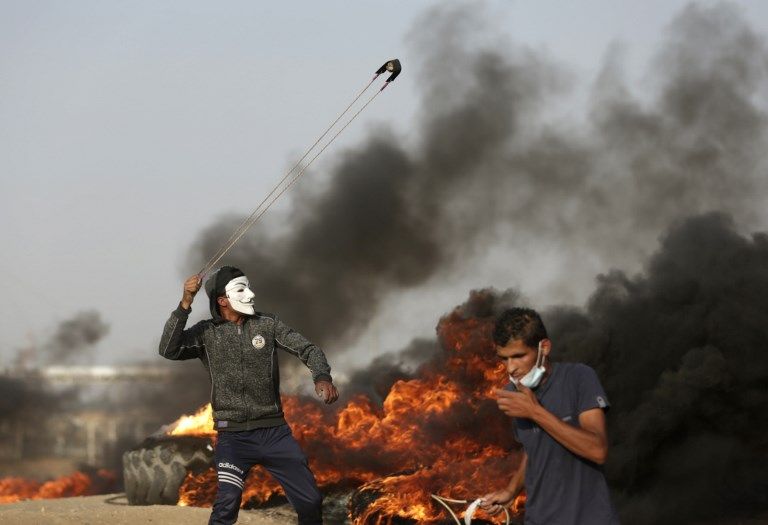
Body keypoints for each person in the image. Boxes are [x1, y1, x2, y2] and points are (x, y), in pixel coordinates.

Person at [159, 266, 338, 525]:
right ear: (222, 301)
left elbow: (309, 349)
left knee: (311, 501)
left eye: (248, 287)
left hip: (275, 435)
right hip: (233, 440)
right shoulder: (206, 333)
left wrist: (322, 377)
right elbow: (168, 348)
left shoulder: (267, 325)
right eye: (241, 290)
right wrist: (186, 302)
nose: (251, 294)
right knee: (226, 506)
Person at [480, 307, 619, 524]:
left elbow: (598, 450)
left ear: (544, 347)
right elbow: (534, 449)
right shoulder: (512, 393)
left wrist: (535, 412)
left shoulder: (579, 378)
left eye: (518, 356)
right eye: (504, 359)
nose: (511, 368)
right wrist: (511, 490)